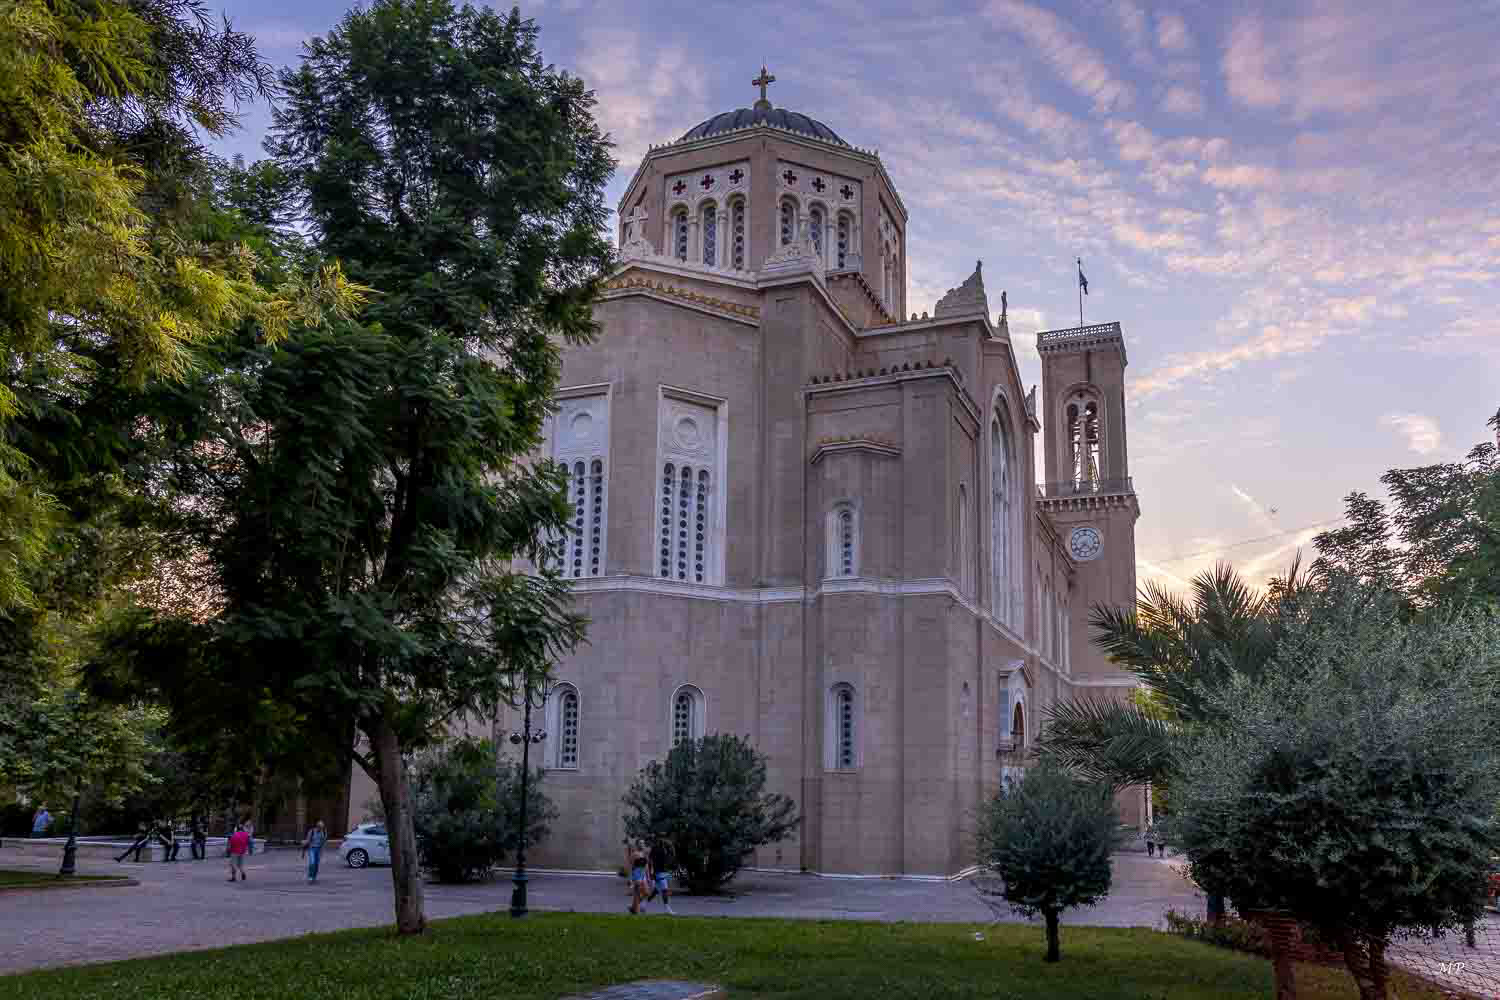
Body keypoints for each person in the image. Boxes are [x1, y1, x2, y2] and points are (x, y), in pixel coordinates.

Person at [646, 837, 675, 915]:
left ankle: (643, 904)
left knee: (656, 891)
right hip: (659, 872)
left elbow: (670, 857)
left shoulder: (662, 849)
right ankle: (668, 909)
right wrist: (651, 873)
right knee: (664, 890)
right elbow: (650, 861)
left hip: (663, 872)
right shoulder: (658, 850)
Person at [627, 840, 649, 914]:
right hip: (637, 874)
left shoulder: (645, 854)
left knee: (646, 892)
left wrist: (648, 876)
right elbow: (630, 866)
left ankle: (633, 907)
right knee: (637, 893)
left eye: (643, 843)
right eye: (640, 843)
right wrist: (630, 878)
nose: (642, 845)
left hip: (643, 875)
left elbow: (646, 866)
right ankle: (636, 910)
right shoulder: (634, 854)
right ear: (637, 845)